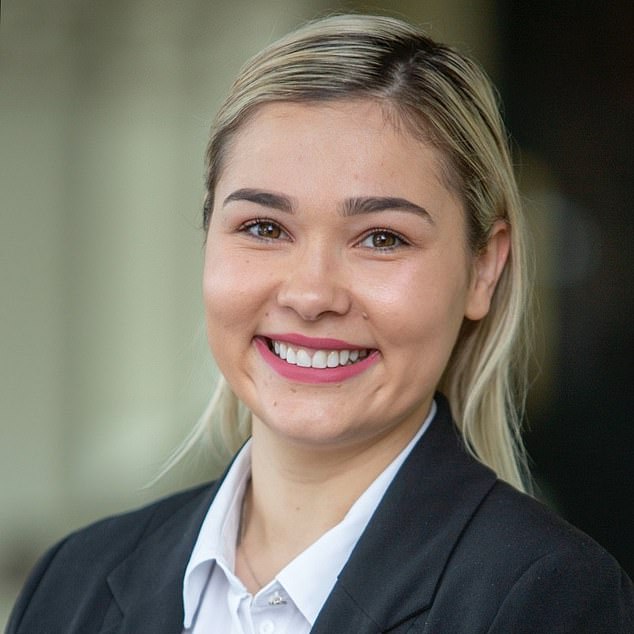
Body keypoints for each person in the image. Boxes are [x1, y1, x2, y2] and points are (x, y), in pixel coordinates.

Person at [8, 14, 633, 634]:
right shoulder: (74, 581)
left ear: (482, 270)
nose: (311, 294)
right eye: (263, 228)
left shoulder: (549, 602)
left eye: (382, 238)